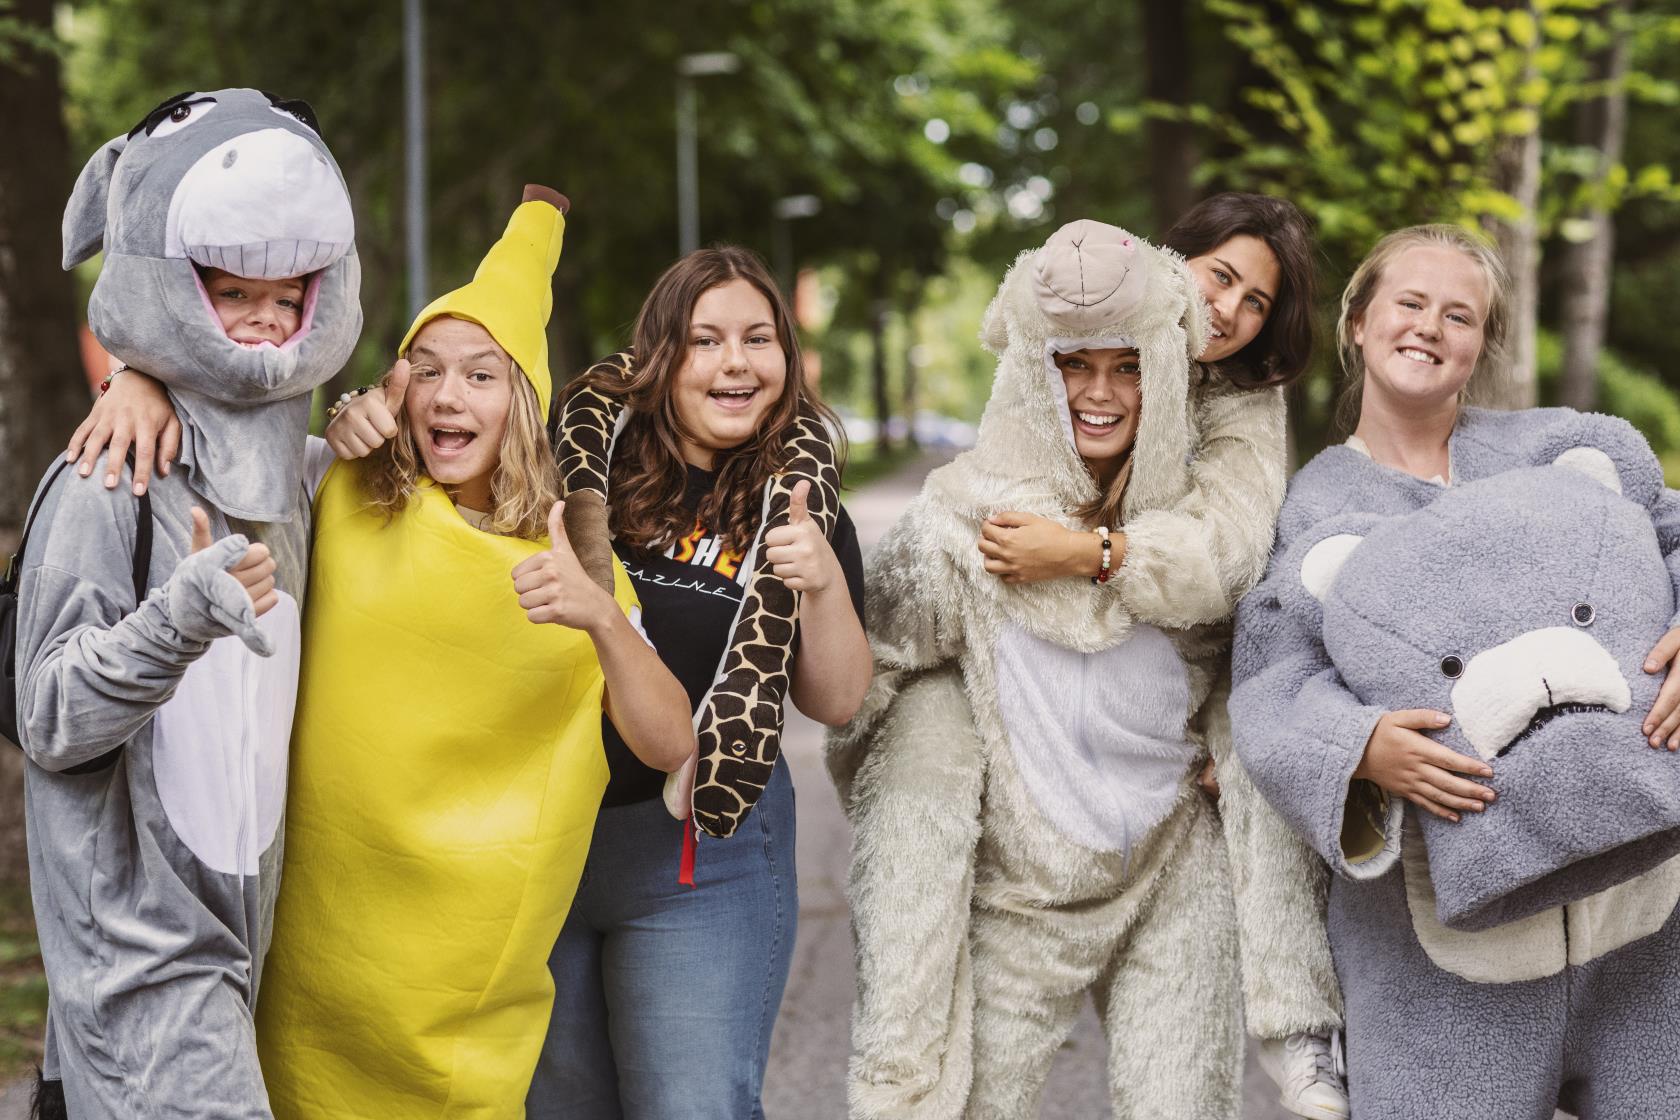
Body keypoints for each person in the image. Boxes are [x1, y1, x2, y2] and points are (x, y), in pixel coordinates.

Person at [326, 244, 871, 1119]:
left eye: (757, 339)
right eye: (705, 340)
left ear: (786, 356)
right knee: (558, 1105)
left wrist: (822, 579)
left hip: (698, 847)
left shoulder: (799, 499)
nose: (735, 362)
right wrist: (355, 412)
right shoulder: (576, 463)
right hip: (542, 840)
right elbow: (444, 448)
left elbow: (835, 701)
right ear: (661, 357)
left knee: (690, 1104)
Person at [1228, 223, 1680, 1117]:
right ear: (1358, 322)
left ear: (1482, 344)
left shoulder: (1562, 448)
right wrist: (1359, 747)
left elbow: (1672, 535)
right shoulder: (1313, 507)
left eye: (1459, 315)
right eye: (1410, 302)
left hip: (1646, 922)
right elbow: (1272, 680)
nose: (1430, 326)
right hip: (1438, 957)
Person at [829, 218, 1268, 1120]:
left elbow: (1253, 633)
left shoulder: (1198, 519)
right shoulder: (961, 523)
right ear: (1036, 367)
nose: (1100, 392)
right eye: (1075, 363)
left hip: (1173, 865)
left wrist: (1237, 735)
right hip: (1025, 887)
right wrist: (933, 769)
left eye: (1128, 366)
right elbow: (864, 682)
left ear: (1165, 371)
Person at [15, 88, 360, 1120]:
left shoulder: (294, 485)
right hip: (142, 963)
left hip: (236, 951)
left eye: (287, 296)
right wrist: (178, 621)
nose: (264, 321)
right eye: (231, 289)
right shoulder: (107, 474)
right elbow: (47, 714)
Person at [963, 193, 1346, 1119]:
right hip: (1062, 751)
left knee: (1259, 750)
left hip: (1212, 661)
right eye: (1222, 277)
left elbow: (1227, 553)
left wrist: (1087, 553)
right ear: (1174, 259)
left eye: (1256, 302)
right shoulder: (1092, 337)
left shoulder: (1245, 399)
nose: (1231, 310)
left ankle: (1297, 1021)